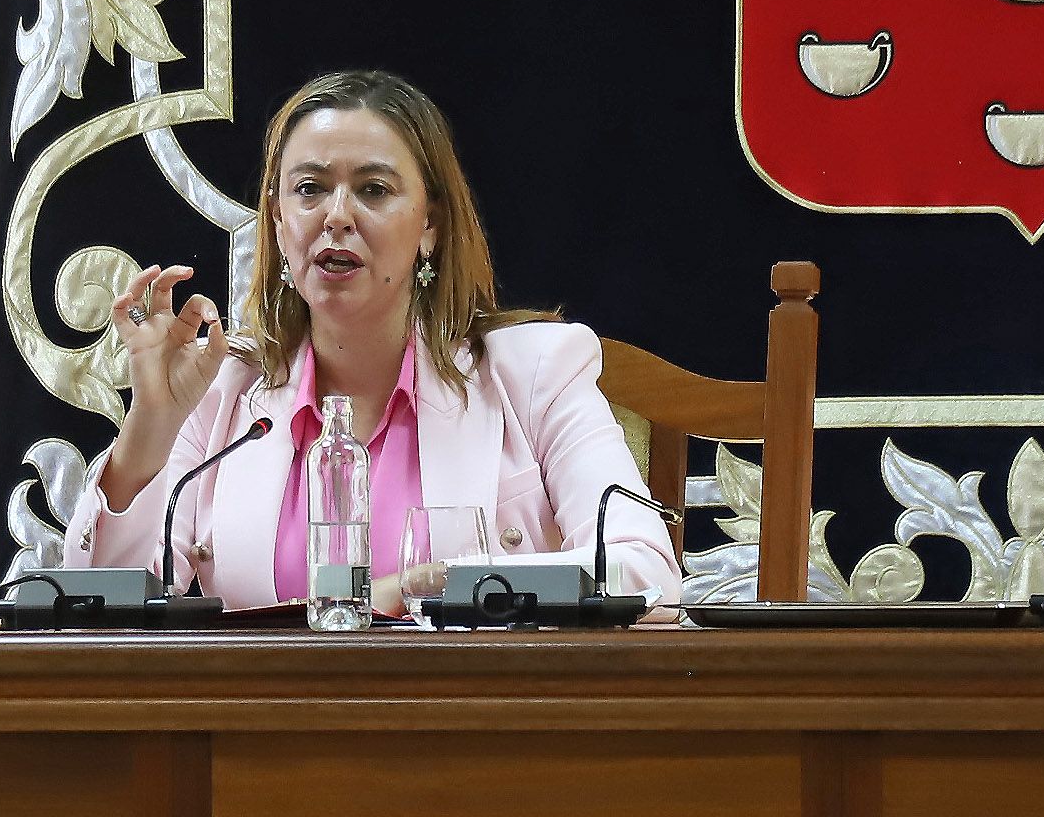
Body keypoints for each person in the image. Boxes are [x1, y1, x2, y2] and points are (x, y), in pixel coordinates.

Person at [62, 69, 677, 615]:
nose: (337, 215)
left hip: (475, 729)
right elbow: (97, 614)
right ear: (277, 221)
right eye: (308, 189)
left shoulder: (536, 371)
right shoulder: (223, 389)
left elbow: (643, 572)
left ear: (430, 225)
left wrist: (417, 590)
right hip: (265, 736)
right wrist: (149, 427)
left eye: (374, 190)